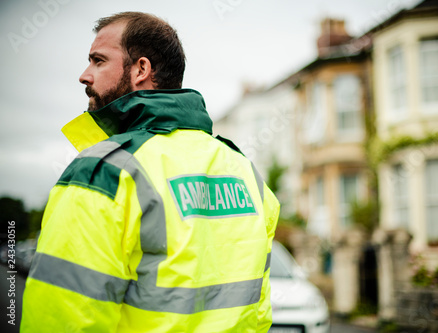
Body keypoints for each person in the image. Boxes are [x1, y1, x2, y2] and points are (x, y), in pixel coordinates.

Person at [21, 12, 279, 333]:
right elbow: (258, 313)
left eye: (98, 61)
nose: (84, 76)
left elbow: (62, 318)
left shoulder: (104, 171)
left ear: (141, 69)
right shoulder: (245, 173)